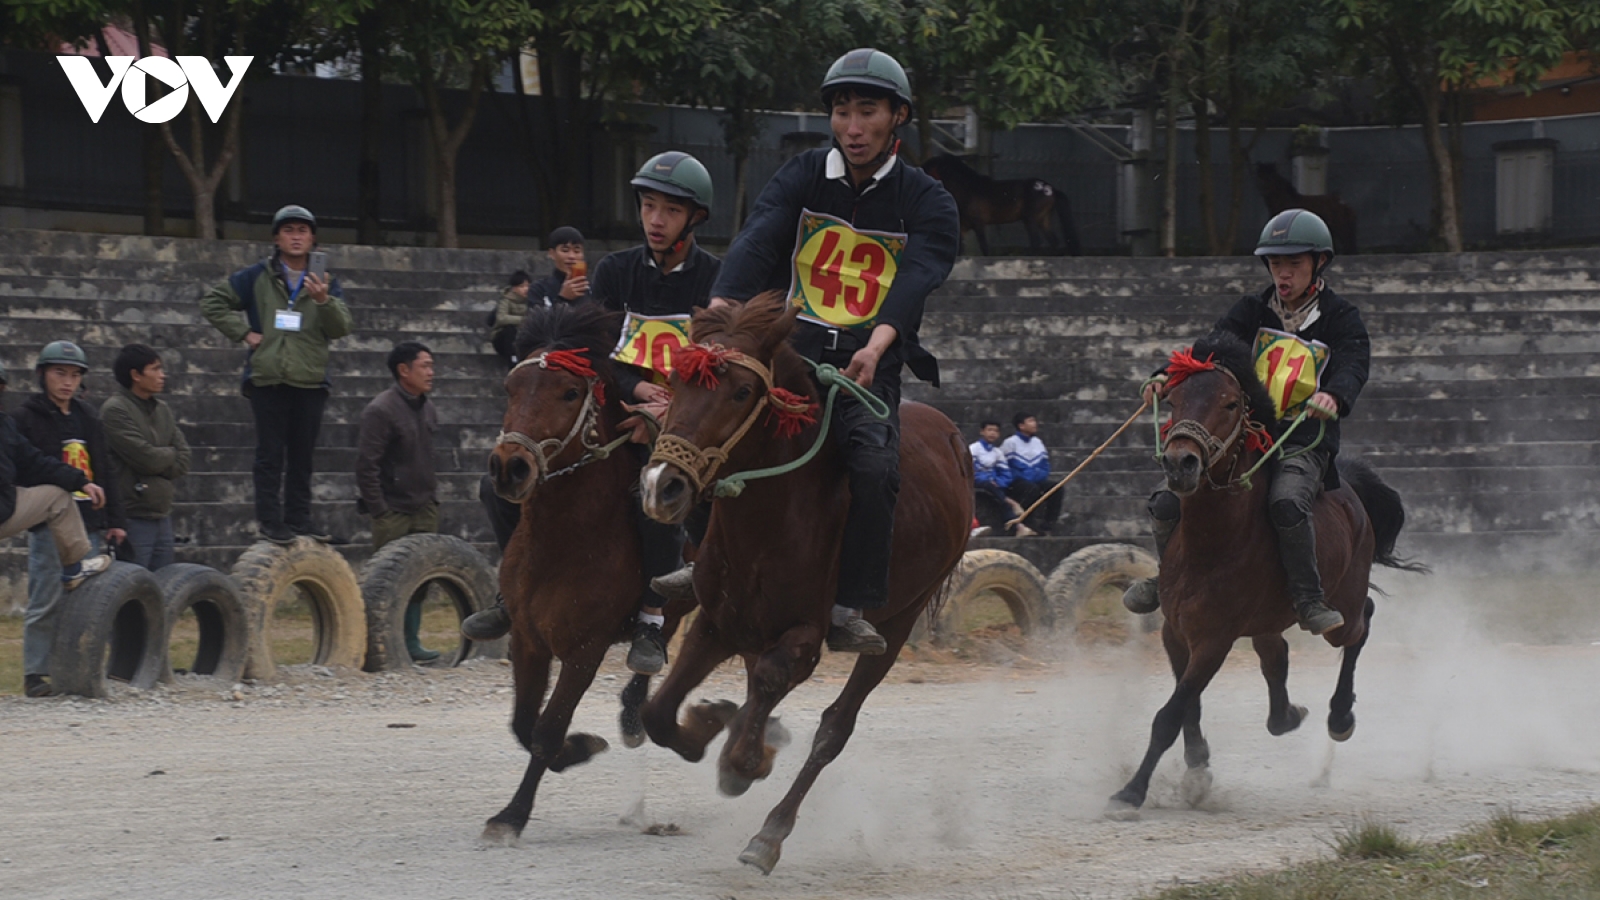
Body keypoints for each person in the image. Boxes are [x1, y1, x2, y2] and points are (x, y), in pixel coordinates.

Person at [687, 48, 961, 654]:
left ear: (898, 117)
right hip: (794, 354)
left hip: (869, 365)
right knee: (706, 430)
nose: (853, 126)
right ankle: (702, 563)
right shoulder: (802, 175)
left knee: (873, 467)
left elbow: (917, 277)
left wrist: (879, 341)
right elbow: (758, 239)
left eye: (868, 111)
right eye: (842, 111)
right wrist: (721, 312)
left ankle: (851, 602)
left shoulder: (928, 201)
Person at [460, 151, 720, 678]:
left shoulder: (715, 278)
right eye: (648, 206)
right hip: (614, 405)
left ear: (694, 218)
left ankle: (651, 618)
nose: (654, 219)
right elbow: (593, 353)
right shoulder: (615, 270)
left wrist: (665, 406)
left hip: (683, 421)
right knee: (497, 486)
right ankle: (510, 594)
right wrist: (637, 387)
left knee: (656, 489)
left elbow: (716, 363)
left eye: (669, 210)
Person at [1122, 208, 1370, 636]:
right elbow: (1207, 351)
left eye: (1293, 264)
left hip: (1304, 438)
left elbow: (1353, 363)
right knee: (1168, 499)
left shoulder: (1341, 317)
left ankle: (1308, 597)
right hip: (1250, 434)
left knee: (1287, 502)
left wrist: (1336, 394)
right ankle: (1167, 577)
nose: (1283, 274)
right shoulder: (1251, 310)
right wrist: (1166, 374)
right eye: (1276, 265)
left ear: (1319, 263)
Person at [201, 204, 352, 545]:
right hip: (268, 376)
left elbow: (342, 327)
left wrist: (324, 300)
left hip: (310, 378)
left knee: (302, 455)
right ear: (276, 238)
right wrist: (244, 334)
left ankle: (299, 517)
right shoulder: (256, 275)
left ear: (313, 239)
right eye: (288, 230)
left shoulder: (326, 280)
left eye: (302, 230)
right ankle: (270, 520)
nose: (296, 237)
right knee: (270, 454)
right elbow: (213, 302)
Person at [10, 340, 122, 698]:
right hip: (49, 521)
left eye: (74, 375)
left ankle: (78, 671)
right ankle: (36, 673)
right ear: (42, 374)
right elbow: (24, 469)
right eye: (60, 373)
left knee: (87, 600)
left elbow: (103, 468)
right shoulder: (23, 418)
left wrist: (115, 519)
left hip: (88, 517)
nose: (67, 382)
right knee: (46, 596)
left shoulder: (88, 416)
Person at [356, 341, 441, 662]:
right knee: (386, 582)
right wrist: (380, 509)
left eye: (432, 366)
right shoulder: (381, 410)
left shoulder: (428, 407)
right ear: (403, 370)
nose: (431, 373)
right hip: (393, 510)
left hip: (424, 506)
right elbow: (367, 465)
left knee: (418, 581)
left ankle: (411, 642)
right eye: (425, 366)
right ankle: (377, 646)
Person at [99, 343, 190, 571]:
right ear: (136, 375)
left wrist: (162, 457)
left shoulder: (162, 410)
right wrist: (169, 453)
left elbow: (184, 459)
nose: (162, 375)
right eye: (156, 369)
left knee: (162, 588)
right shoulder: (115, 410)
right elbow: (145, 458)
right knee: (132, 587)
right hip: (133, 516)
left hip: (162, 514)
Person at [1001, 413, 1062, 536]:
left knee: (1056, 488)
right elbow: (1005, 466)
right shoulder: (1010, 443)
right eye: (1030, 421)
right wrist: (1025, 477)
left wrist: (1039, 476)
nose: (1034, 424)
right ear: (1021, 426)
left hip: (1036, 479)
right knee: (1030, 489)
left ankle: (1049, 523)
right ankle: (1025, 521)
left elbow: (1045, 465)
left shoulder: (1037, 442)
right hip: (1017, 481)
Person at [970, 420, 1025, 538]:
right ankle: (1017, 521)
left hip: (992, 484)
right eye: (989, 430)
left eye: (995, 431)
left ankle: (1017, 523)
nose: (992, 433)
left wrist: (999, 482)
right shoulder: (974, 449)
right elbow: (969, 471)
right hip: (976, 481)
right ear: (982, 431)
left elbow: (1006, 473)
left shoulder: (997, 452)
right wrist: (989, 479)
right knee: (992, 488)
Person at [528, 226, 591, 308]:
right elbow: (537, 320)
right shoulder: (539, 289)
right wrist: (563, 298)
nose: (572, 256)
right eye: (565, 250)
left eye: (577, 251)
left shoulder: (592, 289)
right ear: (552, 253)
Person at [490, 272, 531, 368]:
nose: (526, 289)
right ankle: (513, 361)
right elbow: (501, 318)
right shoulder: (506, 300)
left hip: (524, 338)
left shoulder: (532, 301)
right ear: (514, 288)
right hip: (503, 340)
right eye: (522, 286)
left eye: (528, 286)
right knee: (510, 330)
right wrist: (524, 320)